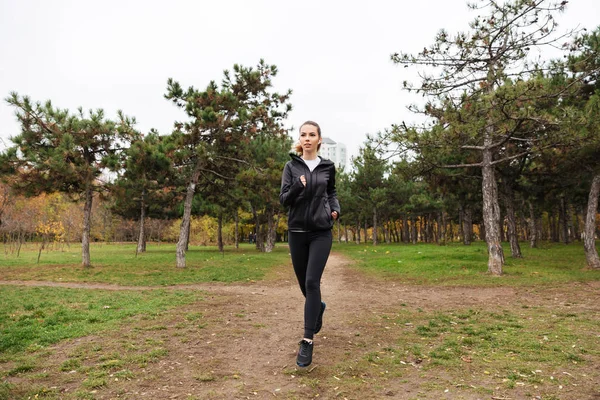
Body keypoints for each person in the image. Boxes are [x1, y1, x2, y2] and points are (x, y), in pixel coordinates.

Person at [279, 120, 340, 368]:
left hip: (321, 232)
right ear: (300, 140)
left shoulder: (328, 166)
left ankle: (307, 340)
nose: (306, 138)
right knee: (305, 286)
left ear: (319, 140)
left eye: (311, 134)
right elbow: (284, 199)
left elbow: (332, 192)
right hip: (296, 232)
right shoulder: (291, 167)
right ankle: (318, 307)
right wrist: (297, 186)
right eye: (303, 134)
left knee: (312, 282)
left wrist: (335, 209)